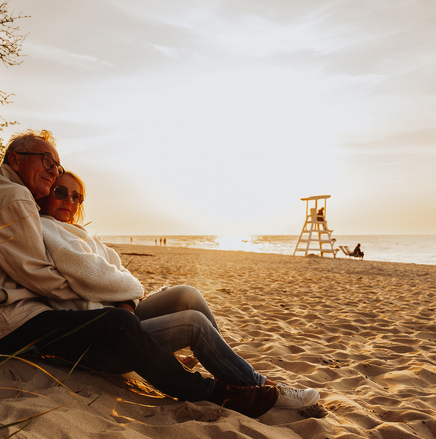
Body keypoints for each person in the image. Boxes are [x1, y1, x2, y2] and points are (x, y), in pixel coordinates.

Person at [0, 131, 317, 418]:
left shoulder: (11, 196)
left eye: (63, 176)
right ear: (15, 159)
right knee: (130, 323)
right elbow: (41, 276)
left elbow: (102, 268)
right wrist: (120, 300)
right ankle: (227, 391)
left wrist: (125, 297)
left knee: (182, 296)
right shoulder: (17, 200)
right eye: (47, 163)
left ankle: (236, 374)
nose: (54, 175)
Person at [37, 171, 320, 400]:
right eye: (61, 192)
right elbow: (95, 276)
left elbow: (120, 272)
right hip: (106, 338)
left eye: (77, 196)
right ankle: (258, 385)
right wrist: (127, 293)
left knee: (187, 294)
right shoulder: (48, 230)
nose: (69, 200)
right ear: (46, 194)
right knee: (193, 324)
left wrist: (128, 300)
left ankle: (229, 371)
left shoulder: (81, 234)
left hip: (122, 315)